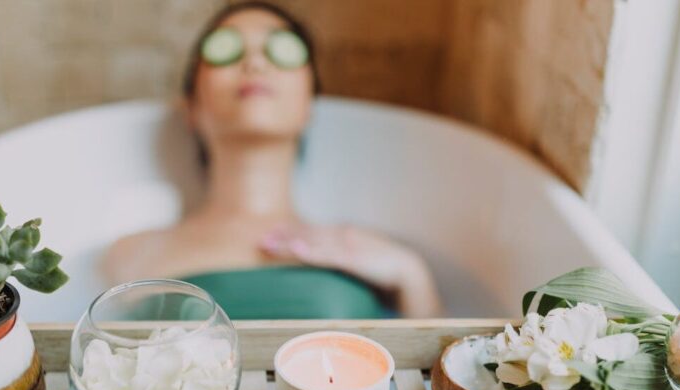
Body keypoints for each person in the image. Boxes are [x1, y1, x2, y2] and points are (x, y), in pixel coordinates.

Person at [103, 1, 441, 319]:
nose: (255, 63)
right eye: (227, 49)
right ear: (191, 107)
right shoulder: (131, 255)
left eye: (280, 50)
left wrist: (412, 276)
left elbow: (440, 372)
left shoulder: (372, 254)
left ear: (310, 102)